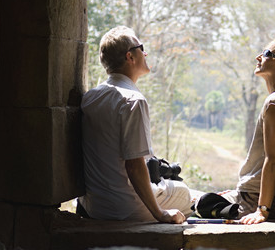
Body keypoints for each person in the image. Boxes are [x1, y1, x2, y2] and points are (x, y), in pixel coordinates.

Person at [78, 26, 191, 223]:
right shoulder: (133, 100)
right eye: (142, 48)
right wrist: (160, 214)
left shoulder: (90, 97)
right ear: (130, 57)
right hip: (125, 208)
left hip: (95, 206)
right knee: (185, 193)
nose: (145, 53)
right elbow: (135, 166)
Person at [220, 39, 275, 224]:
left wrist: (262, 211)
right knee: (206, 198)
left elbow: (273, 161)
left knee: (192, 205)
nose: (258, 57)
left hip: (266, 201)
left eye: (266, 54)